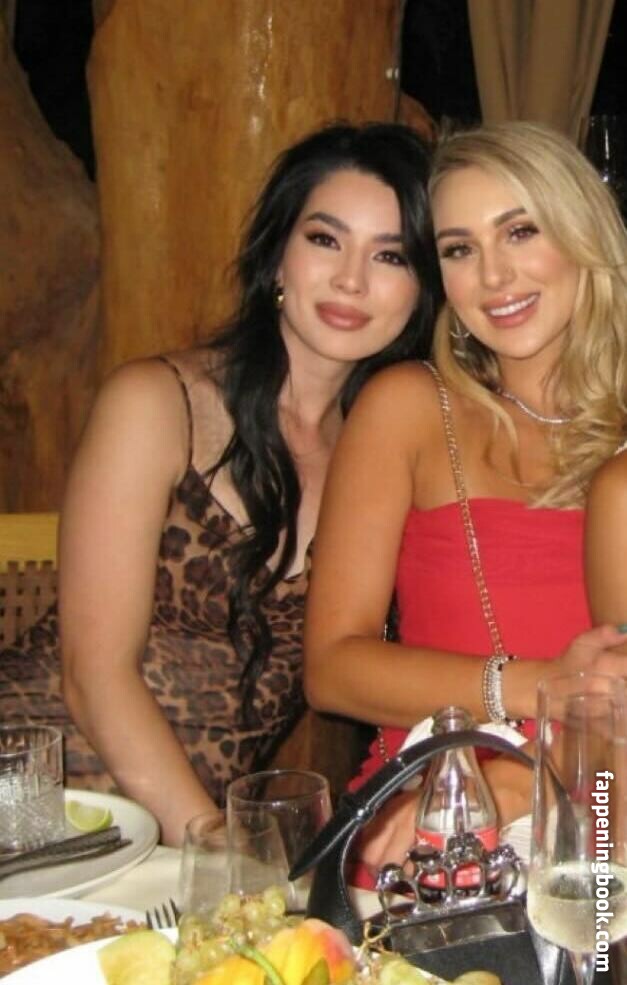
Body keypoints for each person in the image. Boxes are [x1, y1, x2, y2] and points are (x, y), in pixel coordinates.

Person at [0, 121, 441, 845]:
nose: (351, 280)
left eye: (389, 255)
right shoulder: (156, 402)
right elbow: (93, 672)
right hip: (37, 808)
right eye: (324, 239)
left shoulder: (382, 454)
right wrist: (215, 846)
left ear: (420, 290)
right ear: (277, 257)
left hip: (172, 844)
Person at [303, 120, 627, 874]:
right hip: (436, 815)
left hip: (600, 816)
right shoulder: (411, 408)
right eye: (459, 249)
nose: (493, 275)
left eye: (519, 231)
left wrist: (537, 779)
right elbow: (332, 667)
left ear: (582, 232)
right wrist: (538, 686)